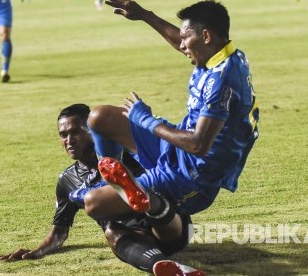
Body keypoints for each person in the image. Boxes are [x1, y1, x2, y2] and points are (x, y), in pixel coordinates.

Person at [81, 0, 259, 224]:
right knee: (100, 118)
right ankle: (118, 183)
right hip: (176, 151)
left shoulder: (222, 80)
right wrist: (144, 15)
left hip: (191, 178)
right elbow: (183, 43)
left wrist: (146, 120)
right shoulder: (219, 55)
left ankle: (150, 206)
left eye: (186, 38)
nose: (182, 45)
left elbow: (198, 145)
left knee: (92, 202)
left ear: (205, 37)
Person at [0, 104, 204, 275]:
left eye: (76, 131)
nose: (69, 140)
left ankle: (152, 205)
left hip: (172, 226)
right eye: (63, 135)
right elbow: (59, 232)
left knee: (150, 199)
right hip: (138, 241)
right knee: (111, 231)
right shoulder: (67, 180)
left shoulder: (126, 154)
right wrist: (37, 251)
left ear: (93, 132)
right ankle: (172, 269)